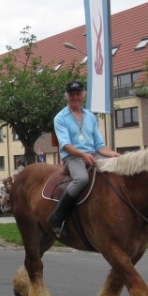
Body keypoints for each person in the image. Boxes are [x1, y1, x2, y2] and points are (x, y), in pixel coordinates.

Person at [48, 81, 120, 238]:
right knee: (81, 178)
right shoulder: (60, 118)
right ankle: (57, 217)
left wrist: (113, 154)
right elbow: (66, 145)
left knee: (116, 170)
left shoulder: (91, 116)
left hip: (93, 153)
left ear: (83, 95)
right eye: (71, 94)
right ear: (66, 96)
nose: (75, 96)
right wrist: (83, 155)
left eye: (78, 93)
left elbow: (100, 145)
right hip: (72, 157)